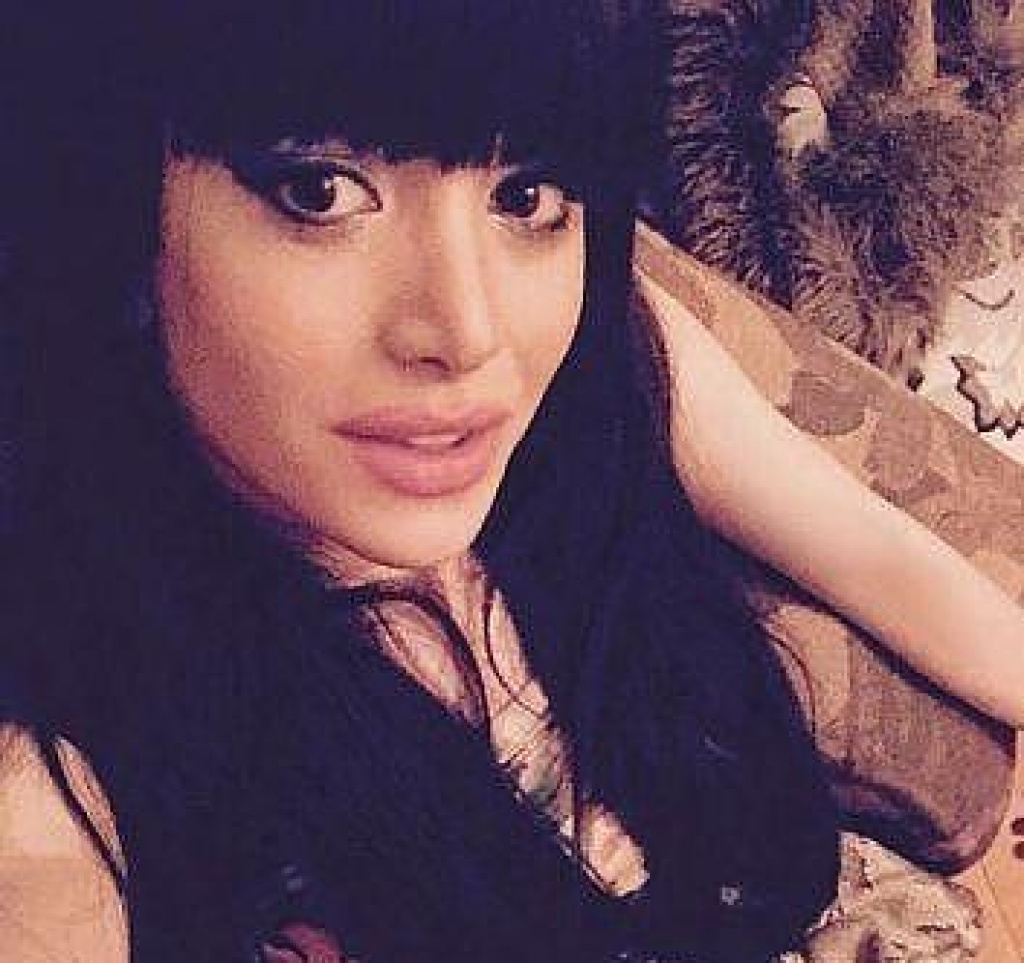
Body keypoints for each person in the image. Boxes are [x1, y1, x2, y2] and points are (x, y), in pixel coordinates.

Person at [0, 2, 1021, 962]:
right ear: (113, 201)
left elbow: (877, 554)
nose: (469, 331)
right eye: (320, 190)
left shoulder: (603, 361)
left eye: (524, 194)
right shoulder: (64, 770)